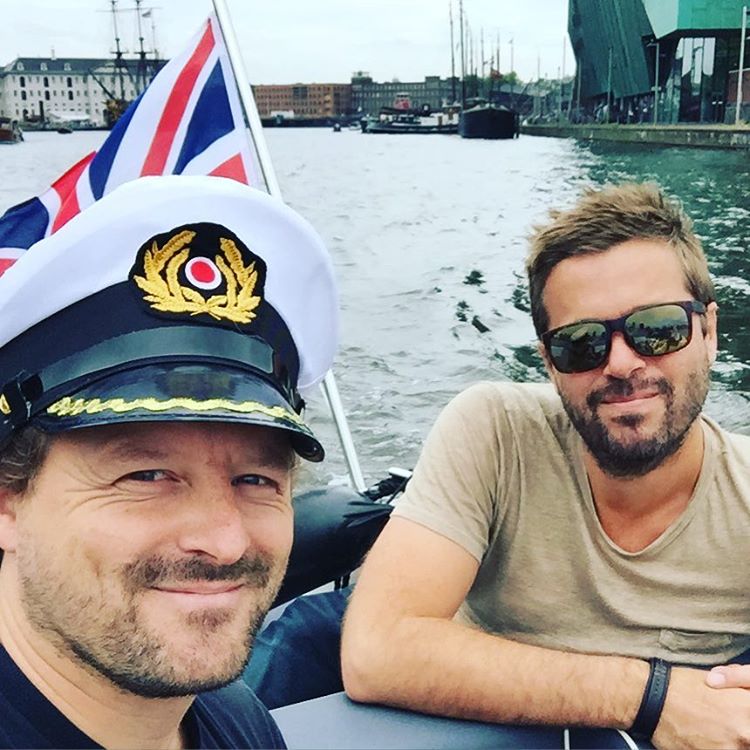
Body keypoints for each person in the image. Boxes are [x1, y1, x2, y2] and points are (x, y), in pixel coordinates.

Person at [341, 182, 750, 749]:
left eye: (658, 329)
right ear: (549, 363)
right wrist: (654, 699)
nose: (621, 363)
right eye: (581, 343)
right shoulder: (495, 430)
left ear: (708, 332)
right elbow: (376, 649)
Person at [0, 174, 338, 749]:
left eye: (255, 479)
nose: (225, 543)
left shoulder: (239, 721)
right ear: (9, 501)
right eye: (147, 475)